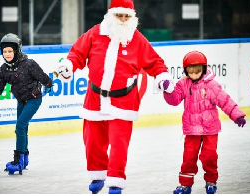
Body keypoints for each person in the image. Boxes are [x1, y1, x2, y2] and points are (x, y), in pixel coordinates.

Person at [54, 0, 174, 194]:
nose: (123, 20)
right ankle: (98, 174)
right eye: (120, 15)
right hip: (95, 98)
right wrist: (68, 66)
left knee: (119, 144)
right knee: (92, 141)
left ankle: (116, 179)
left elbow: (155, 63)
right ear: (111, 15)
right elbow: (77, 54)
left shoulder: (137, 39)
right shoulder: (95, 33)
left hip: (124, 101)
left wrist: (162, 78)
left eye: (127, 16)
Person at [161, 51, 246, 194]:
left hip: (210, 130)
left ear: (204, 69)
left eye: (197, 72)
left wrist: (236, 115)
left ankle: (211, 181)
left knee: (209, 156)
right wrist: (168, 90)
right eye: (190, 72)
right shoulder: (183, 84)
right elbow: (174, 100)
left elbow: (224, 100)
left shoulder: (211, 85)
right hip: (191, 130)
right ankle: (185, 184)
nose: (194, 75)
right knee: (188, 158)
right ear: (186, 71)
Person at [0, 33, 53, 175]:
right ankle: (24, 158)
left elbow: (42, 76)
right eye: (4, 51)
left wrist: (48, 84)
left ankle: (18, 160)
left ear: (17, 50)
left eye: (10, 51)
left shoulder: (29, 64)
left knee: (19, 126)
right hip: (21, 100)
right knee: (22, 128)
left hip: (34, 99)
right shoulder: (3, 70)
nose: (7, 54)